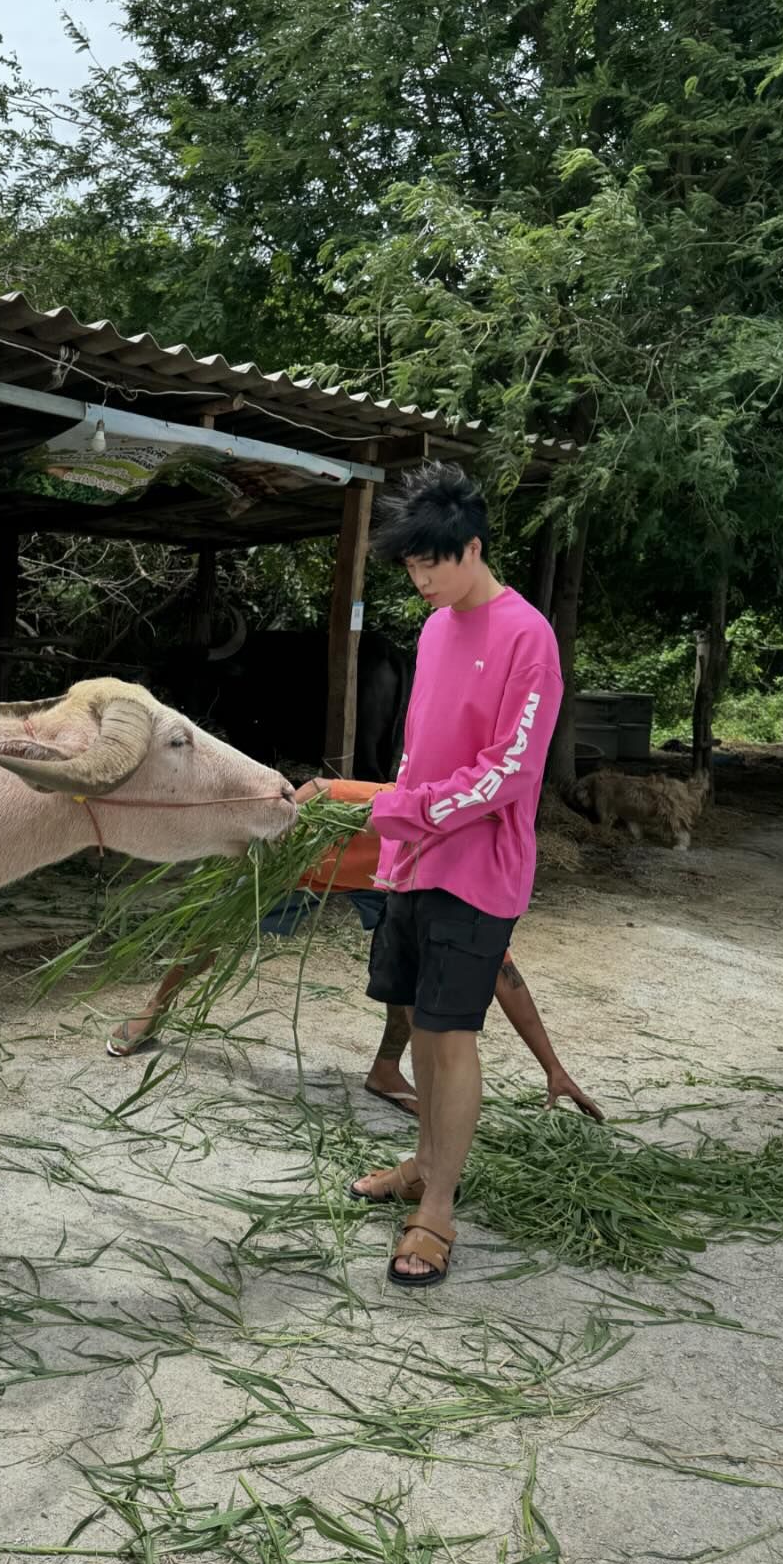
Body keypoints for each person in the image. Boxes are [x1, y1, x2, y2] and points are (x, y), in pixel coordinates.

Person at [353, 461, 563, 1289]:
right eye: (408, 567)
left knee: (449, 1035)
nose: (419, 582)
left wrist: (406, 812)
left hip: (479, 870)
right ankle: (421, 1161)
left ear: (471, 548)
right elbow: (419, 746)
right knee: (418, 1018)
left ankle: (436, 1206)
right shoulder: (435, 629)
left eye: (429, 565)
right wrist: (397, 824)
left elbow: (508, 771)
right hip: (416, 859)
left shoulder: (527, 636)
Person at [107, 779, 600, 1123]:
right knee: (218, 925)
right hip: (313, 866)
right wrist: (275, 838)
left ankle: (385, 1072)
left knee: (412, 979)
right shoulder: (371, 805)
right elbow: (321, 791)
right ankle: (155, 1008)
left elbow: (498, 967)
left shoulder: (461, 870)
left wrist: (553, 1068)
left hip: (393, 888)